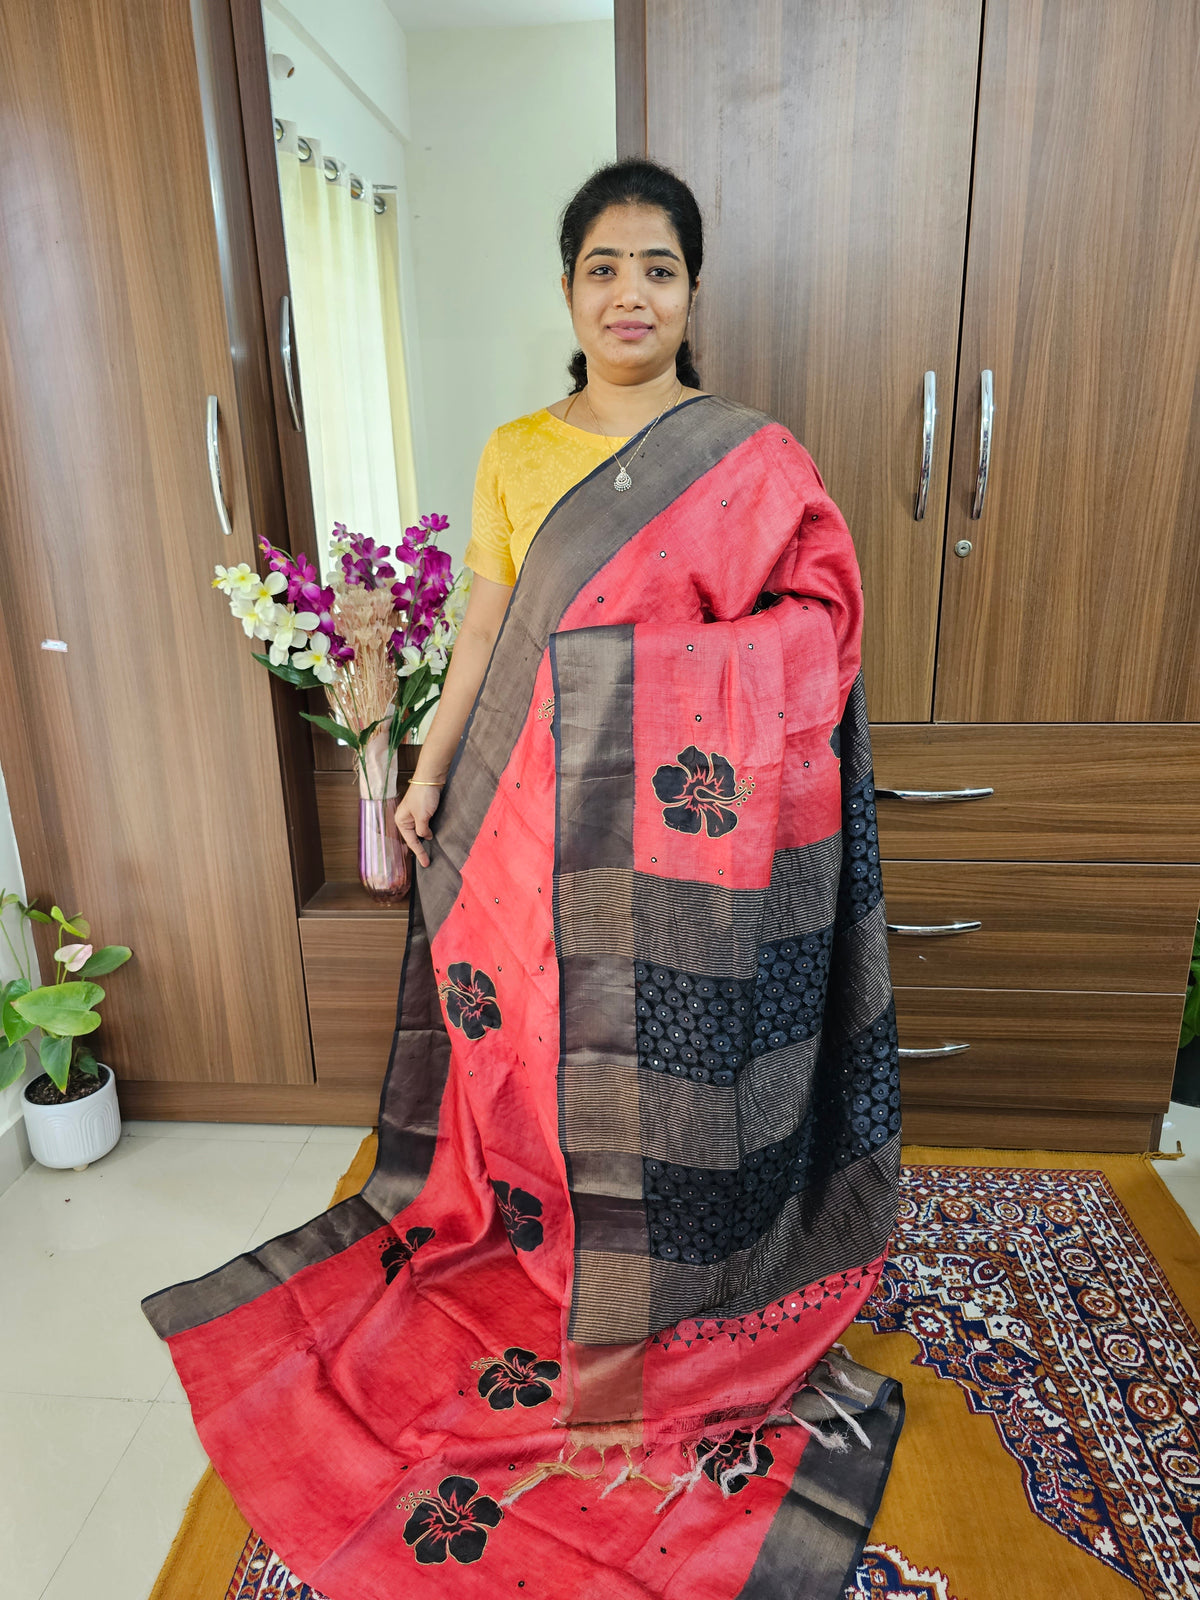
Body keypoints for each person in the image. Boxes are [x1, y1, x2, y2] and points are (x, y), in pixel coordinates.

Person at [143, 158, 903, 1599]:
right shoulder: (515, 451)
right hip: (532, 821)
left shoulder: (750, 456)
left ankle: (678, 1260)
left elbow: (816, 628)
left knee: (670, 1065)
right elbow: (486, 633)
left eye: (660, 268)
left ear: (692, 293)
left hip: (688, 846)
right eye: (605, 266)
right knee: (543, 1052)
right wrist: (428, 777)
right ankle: (564, 1248)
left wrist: (652, 683)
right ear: (568, 290)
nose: (632, 292)